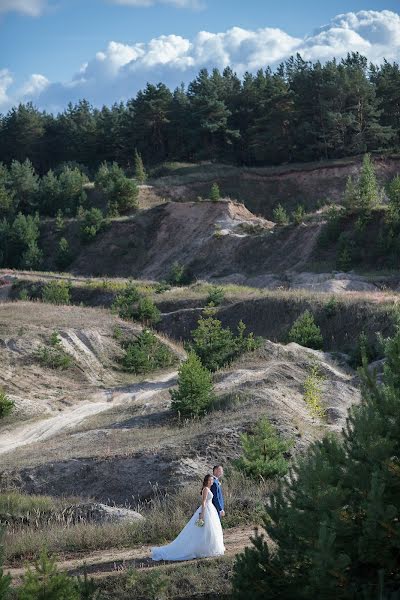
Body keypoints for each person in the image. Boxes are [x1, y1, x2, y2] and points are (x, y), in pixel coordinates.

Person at [151, 474, 225, 561]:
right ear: (207, 481)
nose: (212, 481)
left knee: (209, 530)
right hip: (206, 510)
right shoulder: (205, 489)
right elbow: (204, 502)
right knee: (203, 530)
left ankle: (208, 548)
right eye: (210, 480)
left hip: (211, 510)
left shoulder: (209, 488)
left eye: (212, 480)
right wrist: (202, 514)